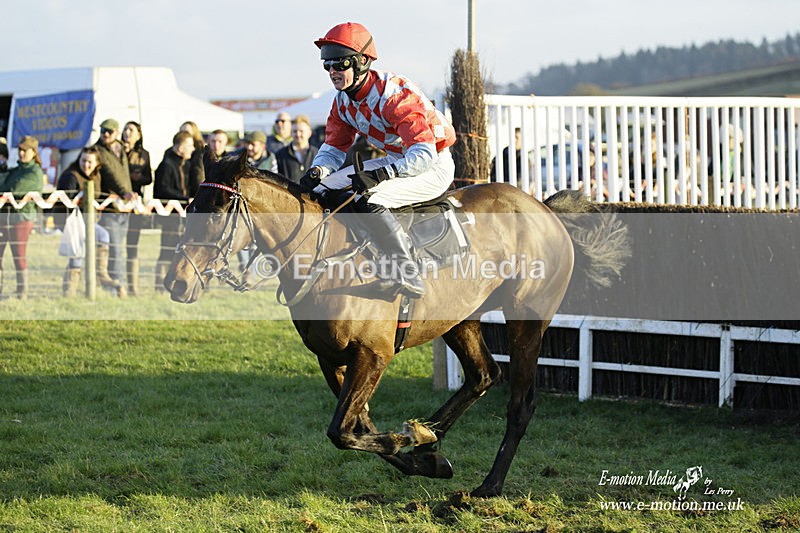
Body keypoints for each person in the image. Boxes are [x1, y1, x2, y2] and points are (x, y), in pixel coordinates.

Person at [299, 22, 456, 298]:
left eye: (339, 64)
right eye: (327, 66)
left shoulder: (394, 97)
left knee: (371, 198)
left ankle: (408, 274)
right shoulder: (342, 102)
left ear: (361, 62)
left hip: (432, 164)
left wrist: (382, 175)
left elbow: (423, 154)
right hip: (401, 159)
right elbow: (334, 148)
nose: (332, 72)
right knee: (322, 190)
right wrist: (318, 170)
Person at [56, 147, 124, 297]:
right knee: (78, 253)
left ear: (97, 163)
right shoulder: (71, 177)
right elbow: (64, 204)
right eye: (83, 160)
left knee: (100, 238)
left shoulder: (96, 176)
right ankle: (70, 291)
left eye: (89, 162)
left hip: (89, 221)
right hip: (73, 222)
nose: (86, 165)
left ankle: (101, 273)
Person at [94, 118, 135, 292]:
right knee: (115, 251)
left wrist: (128, 193)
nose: (105, 134)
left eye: (109, 131)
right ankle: (117, 288)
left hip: (124, 207)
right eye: (103, 130)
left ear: (116, 132)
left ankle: (116, 285)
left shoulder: (120, 149)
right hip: (110, 208)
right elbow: (111, 173)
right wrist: (125, 191)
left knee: (120, 250)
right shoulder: (98, 151)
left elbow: (124, 173)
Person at [153, 131, 198, 290]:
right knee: (167, 249)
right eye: (190, 146)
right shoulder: (166, 164)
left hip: (182, 215)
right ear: (180, 147)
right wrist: (184, 198)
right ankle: (160, 284)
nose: (192, 149)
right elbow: (162, 189)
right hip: (170, 217)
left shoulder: (186, 164)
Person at [0, 136, 44, 299]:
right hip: (4, 217)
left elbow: (14, 190)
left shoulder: (34, 173)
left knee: (19, 256)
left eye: (25, 150)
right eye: (20, 150)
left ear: (34, 152)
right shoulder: (16, 170)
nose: (21, 153)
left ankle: (22, 293)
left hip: (22, 218)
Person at [122, 121, 152, 295]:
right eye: (125, 129)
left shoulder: (143, 154)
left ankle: (133, 286)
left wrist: (138, 177)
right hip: (117, 202)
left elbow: (149, 178)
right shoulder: (117, 150)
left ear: (139, 134)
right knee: (116, 243)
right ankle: (117, 283)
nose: (127, 132)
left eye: (131, 130)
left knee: (132, 245)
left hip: (135, 202)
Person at [276, 114, 319, 183]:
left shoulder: (318, 154)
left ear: (309, 133)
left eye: (301, 131)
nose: (298, 134)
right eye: (295, 131)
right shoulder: (280, 155)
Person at [180, 121, 206, 185]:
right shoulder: (171, 151)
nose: (184, 134)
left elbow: (199, 174)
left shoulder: (200, 151)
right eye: (182, 132)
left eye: (187, 132)